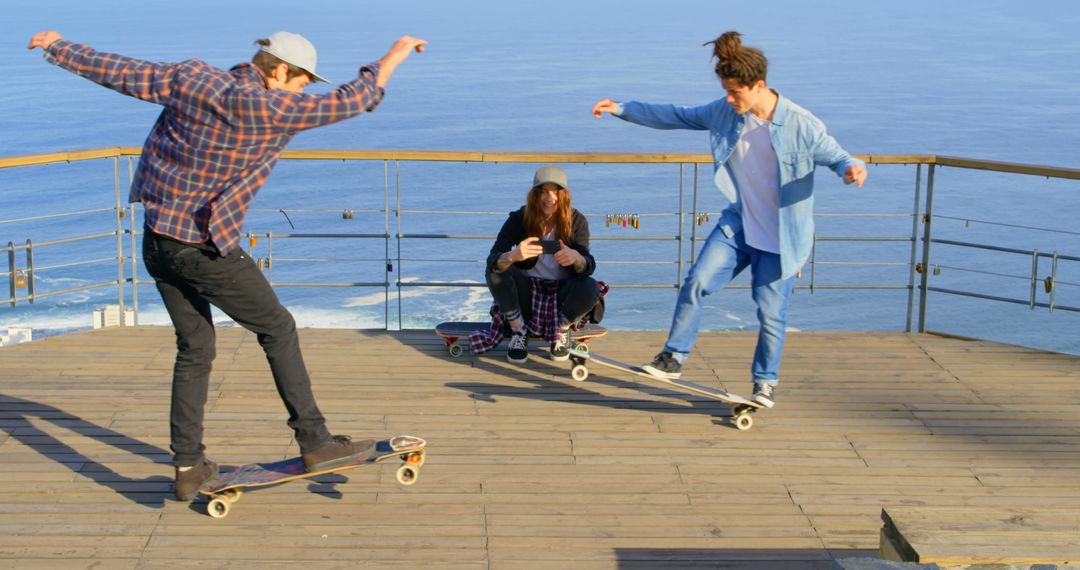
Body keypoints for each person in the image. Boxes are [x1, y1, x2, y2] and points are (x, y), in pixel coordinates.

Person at [28, 30, 427, 501]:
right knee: (277, 328)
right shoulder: (268, 108)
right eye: (301, 82)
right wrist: (395, 55)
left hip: (157, 240)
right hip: (202, 248)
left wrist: (59, 47)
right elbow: (349, 100)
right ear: (279, 70)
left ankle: (188, 466)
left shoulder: (192, 78)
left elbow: (121, 72)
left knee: (195, 348)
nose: (302, 91)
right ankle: (315, 441)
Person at [591, 31, 867, 409]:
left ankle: (765, 383)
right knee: (697, 281)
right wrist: (623, 108)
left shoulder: (802, 124)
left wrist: (851, 169)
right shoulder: (725, 113)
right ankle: (673, 357)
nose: (728, 99)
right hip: (739, 226)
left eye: (736, 92)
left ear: (759, 86)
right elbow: (678, 115)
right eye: (726, 91)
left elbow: (837, 155)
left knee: (771, 314)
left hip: (781, 238)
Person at [475, 166, 602, 363]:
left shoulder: (577, 220)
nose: (549, 198)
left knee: (590, 286)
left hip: (561, 295)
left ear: (564, 194)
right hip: (527, 293)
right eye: (543, 191)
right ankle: (518, 331)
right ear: (534, 194)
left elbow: (589, 265)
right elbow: (493, 258)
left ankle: (561, 331)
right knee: (495, 271)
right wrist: (514, 255)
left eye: (555, 191)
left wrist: (577, 258)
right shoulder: (519, 217)